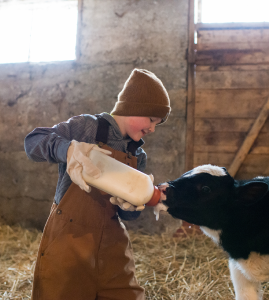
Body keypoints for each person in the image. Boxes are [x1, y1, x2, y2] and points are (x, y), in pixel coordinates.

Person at [23, 68, 170, 300]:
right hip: (70, 239)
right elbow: (33, 142)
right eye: (151, 119)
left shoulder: (138, 154)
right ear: (133, 107)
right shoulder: (87, 127)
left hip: (112, 244)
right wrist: (68, 149)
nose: (152, 128)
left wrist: (130, 207)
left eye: (157, 124)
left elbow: (129, 217)